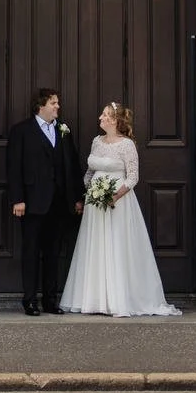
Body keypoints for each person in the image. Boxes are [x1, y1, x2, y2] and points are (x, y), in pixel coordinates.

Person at [60, 100, 181, 318]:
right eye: (102, 114)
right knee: (95, 246)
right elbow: (89, 172)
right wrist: (87, 194)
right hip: (95, 205)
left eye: (105, 115)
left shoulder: (127, 145)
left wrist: (114, 196)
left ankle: (118, 298)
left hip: (119, 204)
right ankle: (95, 298)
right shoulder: (96, 141)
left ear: (115, 121)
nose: (101, 118)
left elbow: (133, 177)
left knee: (116, 246)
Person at [5, 87, 84, 316]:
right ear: (40, 106)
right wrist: (18, 199)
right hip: (32, 202)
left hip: (59, 203)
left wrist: (77, 198)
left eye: (57, 103)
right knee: (31, 252)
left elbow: (72, 165)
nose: (57, 106)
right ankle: (29, 300)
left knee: (53, 253)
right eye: (53, 103)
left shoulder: (63, 131)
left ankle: (50, 300)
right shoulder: (21, 131)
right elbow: (14, 168)